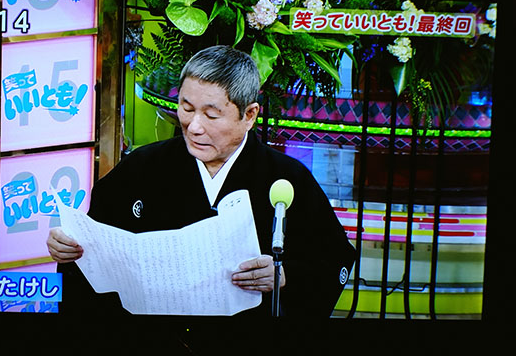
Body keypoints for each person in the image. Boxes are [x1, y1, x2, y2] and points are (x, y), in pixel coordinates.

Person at [47, 45, 356, 318]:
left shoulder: (286, 179)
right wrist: (70, 248)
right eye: (186, 108)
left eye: (211, 115)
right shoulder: (142, 167)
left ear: (249, 115)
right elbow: (95, 245)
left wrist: (284, 275)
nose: (194, 126)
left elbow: (333, 259)